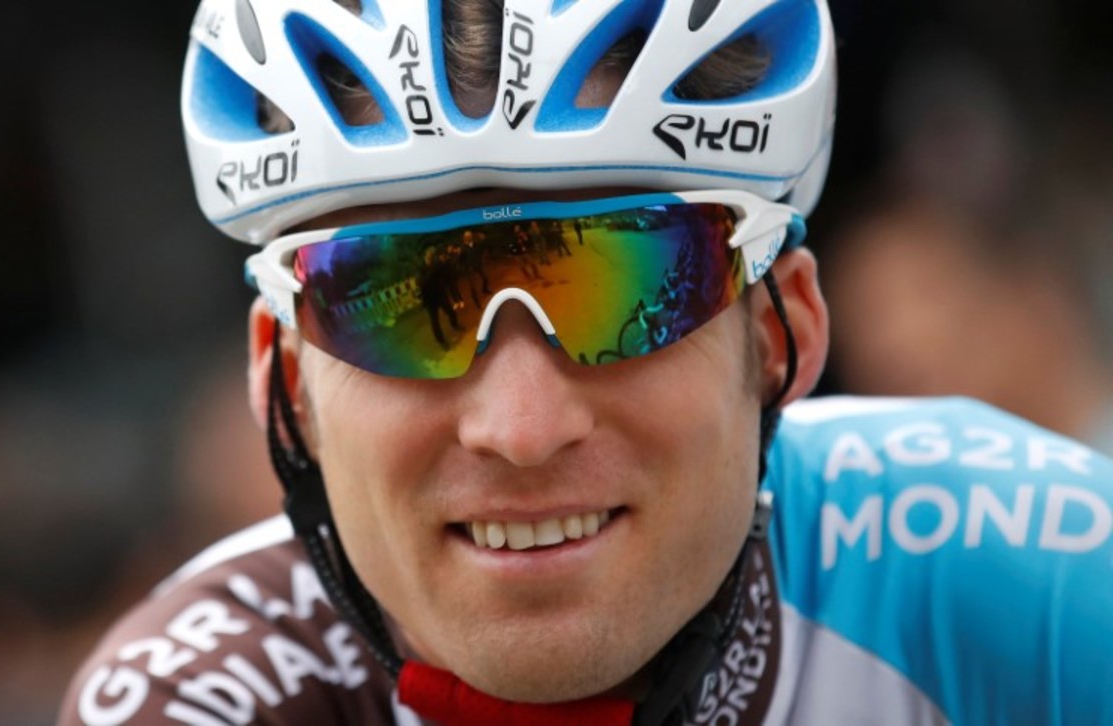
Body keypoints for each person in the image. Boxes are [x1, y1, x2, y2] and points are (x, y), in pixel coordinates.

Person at [60, 1, 1113, 724]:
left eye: (628, 290)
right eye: (404, 305)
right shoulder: (206, 695)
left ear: (779, 330)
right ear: (285, 382)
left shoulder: (1034, 575)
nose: (522, 429)